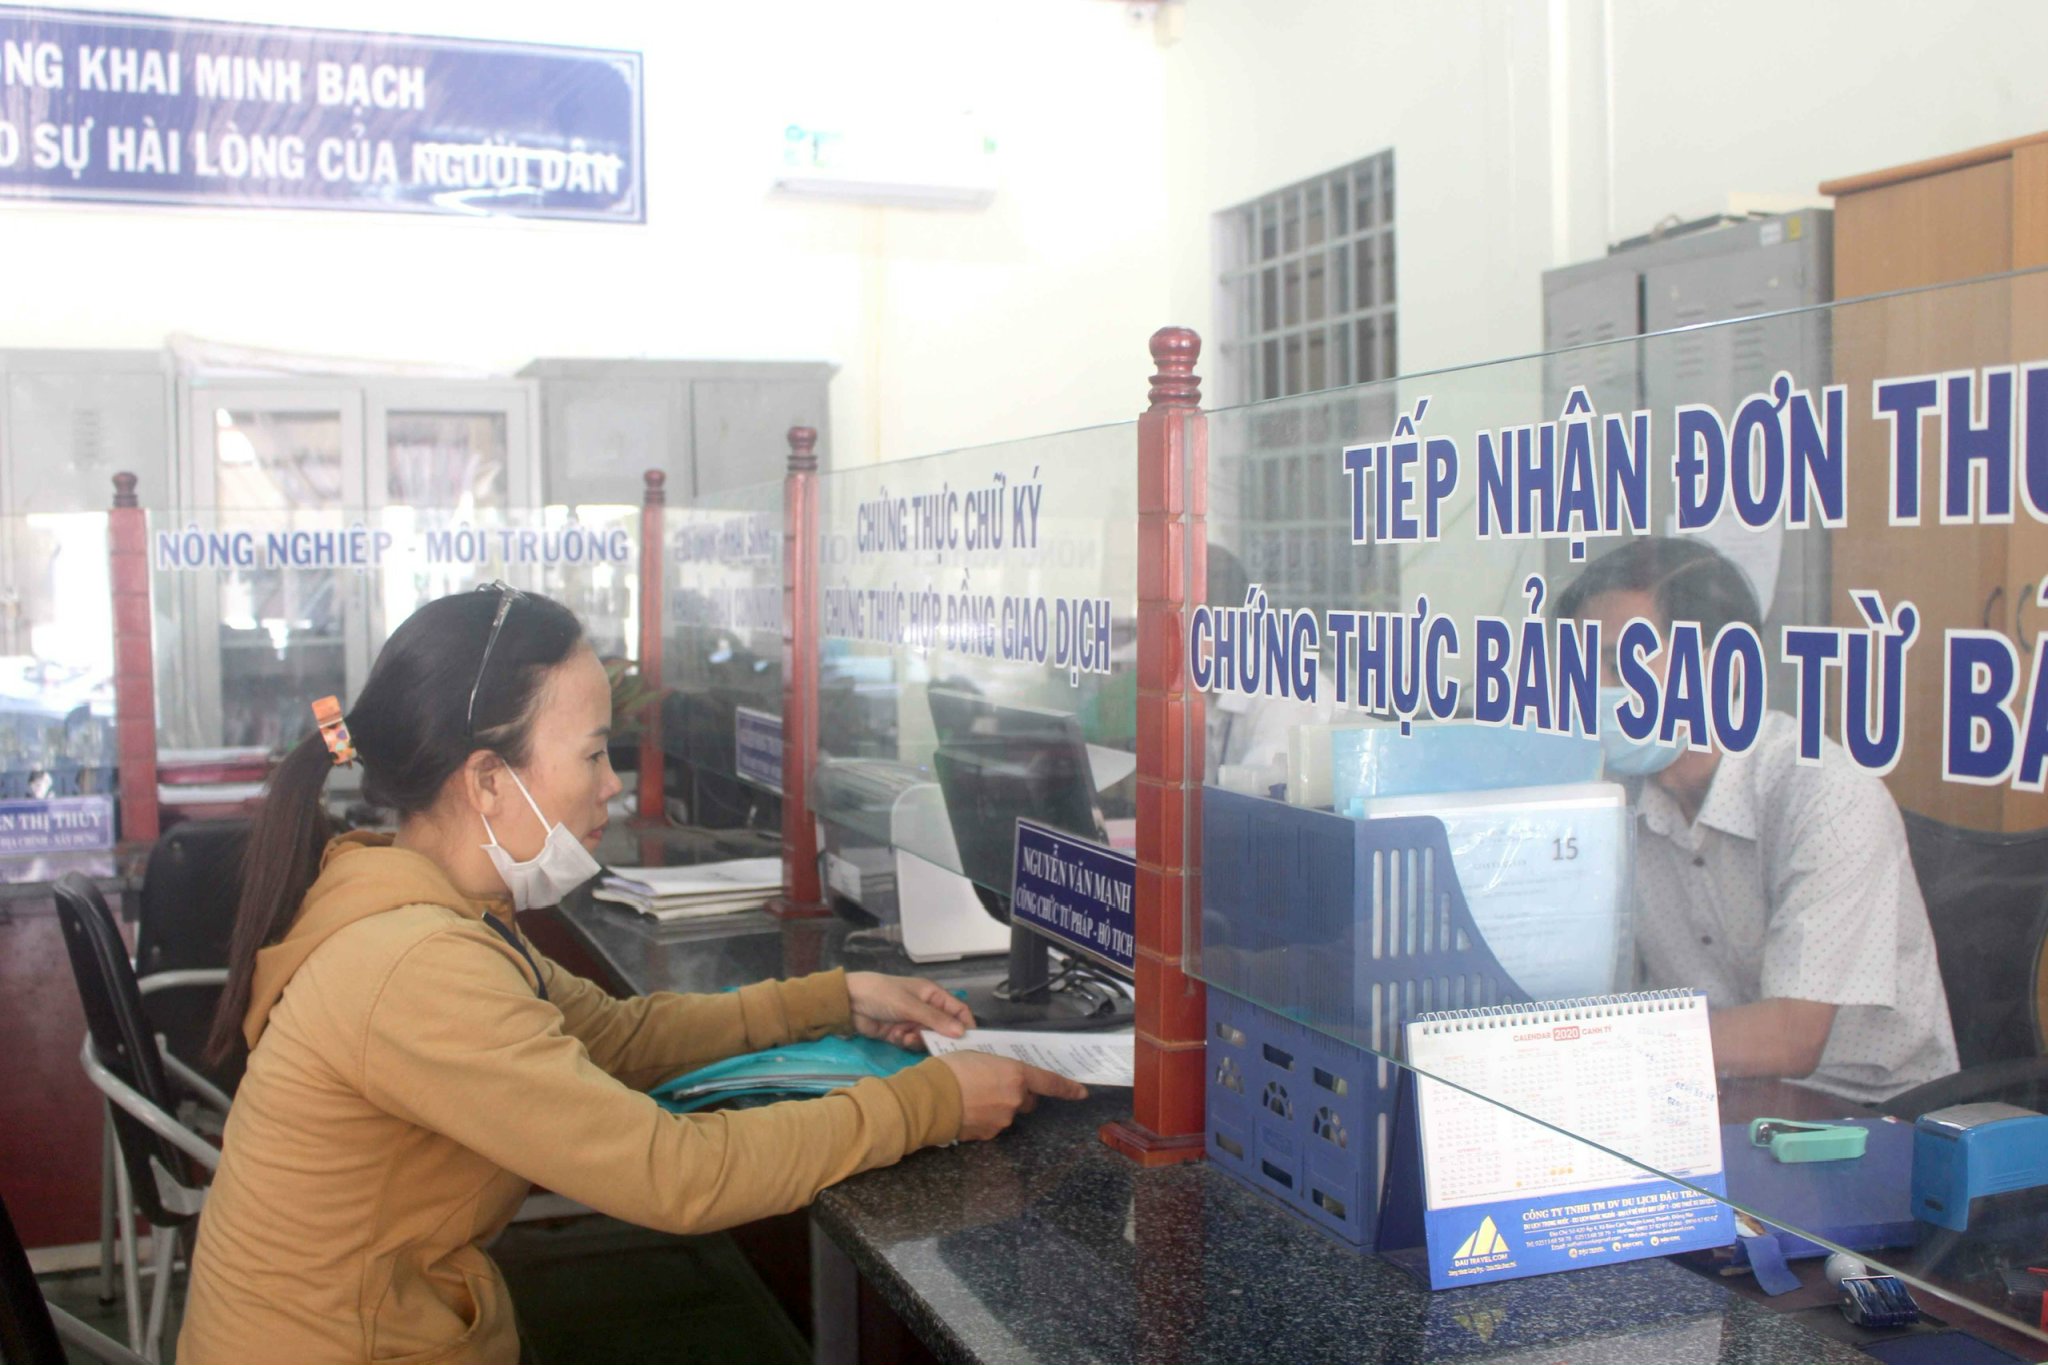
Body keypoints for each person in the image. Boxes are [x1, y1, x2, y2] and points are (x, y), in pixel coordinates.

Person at [178, 583, 1085, 1365]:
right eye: (591, 753)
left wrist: (834, 997)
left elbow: (612, 1035)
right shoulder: (415, 963)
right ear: (487, 780)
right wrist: (932, 1101)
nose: (612, 783)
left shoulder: (426, 901)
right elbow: (675, 1174)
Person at [1555, 537, 1957, 1104]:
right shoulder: (1612, 796)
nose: (1593, 690)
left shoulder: (1825, 793)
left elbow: (1792, 1038)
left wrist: (1588, 1045)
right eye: (1580, 668)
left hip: (1866, 1112)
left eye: (1621, 664)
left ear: (1719, 668)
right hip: (1701, 1091)